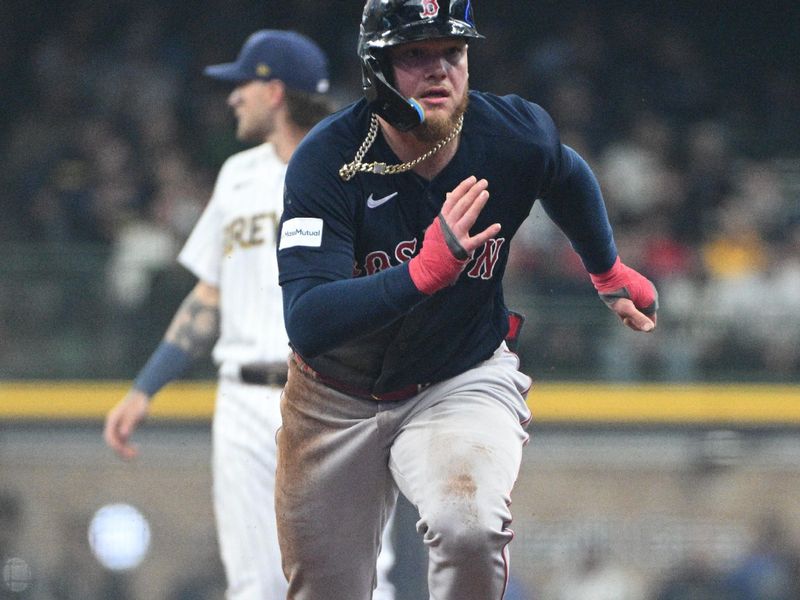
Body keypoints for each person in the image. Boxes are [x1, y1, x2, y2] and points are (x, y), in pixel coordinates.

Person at [275, 2, 658, 600]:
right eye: (415, 55)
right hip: (333, 398)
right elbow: (308, 321)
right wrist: (423, 272)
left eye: (452, 53)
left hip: (458, 378)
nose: (440, 71)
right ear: (376, 69)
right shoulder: (327, 161)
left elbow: (565, 172)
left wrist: (605, 268)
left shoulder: (510, 135)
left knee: (469, 528)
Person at [103, 29, 398, 600]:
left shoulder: (359, 168)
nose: (233, 96)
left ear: (276, 91)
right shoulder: (236, 173)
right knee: (254, 585)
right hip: (241, 398)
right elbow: (209, 296)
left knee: (359, 579)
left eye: (244, 83)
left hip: (333, 393)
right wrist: (145, 387)